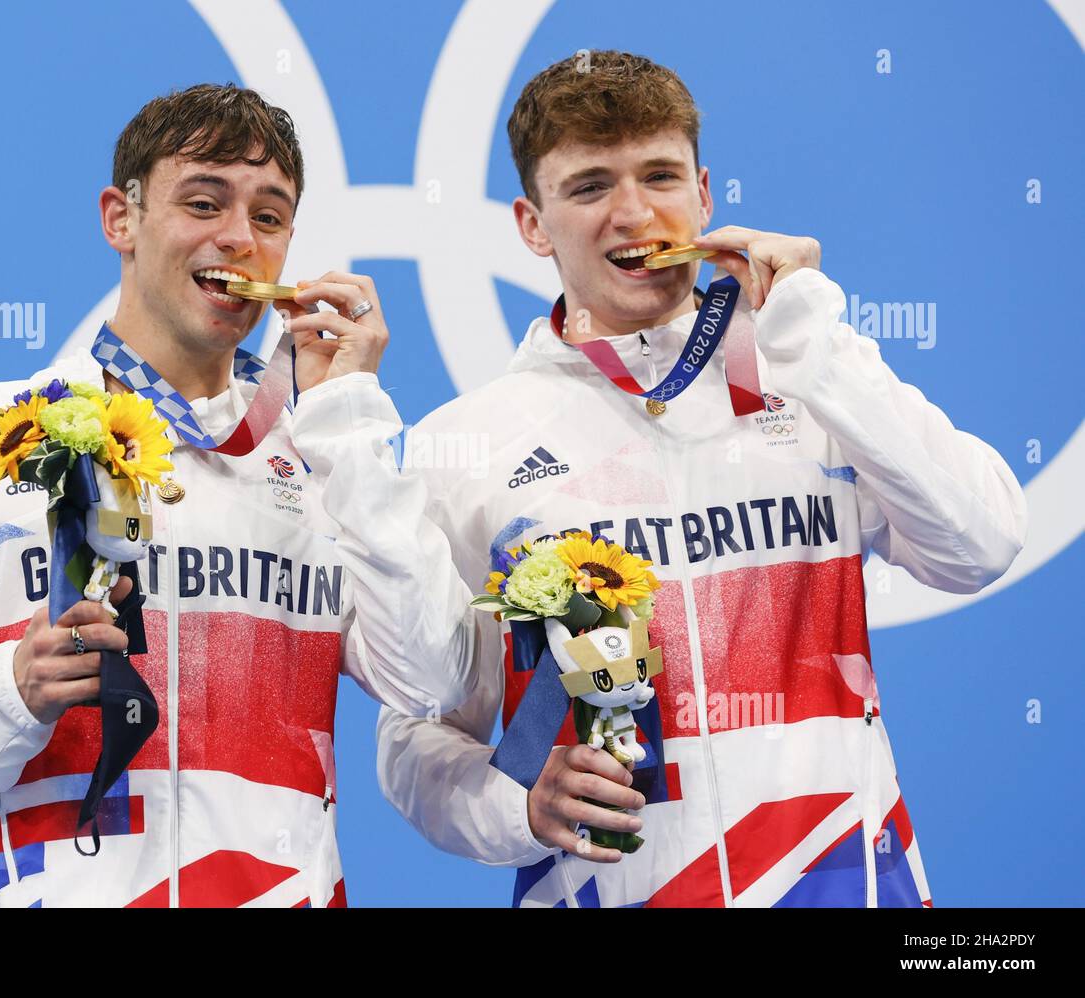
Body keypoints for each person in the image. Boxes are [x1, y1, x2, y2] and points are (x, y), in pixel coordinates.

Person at [376, 51, 1027, 907]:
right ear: (532, 225)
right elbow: (416, 729)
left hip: (842, 881)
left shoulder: (815, 381)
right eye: (589, 187)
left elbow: (981, 544)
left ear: (707, 193)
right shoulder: (466, 446)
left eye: (660, 176)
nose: (634, 213)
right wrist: (514, 807)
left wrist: (820, 346)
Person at [0, 84, 475, 908]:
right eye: (204, 202)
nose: (238, 238)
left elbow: (435, 681)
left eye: (269, 219)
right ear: (119, 219)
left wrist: (346, 415)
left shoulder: (330, 461)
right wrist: (7, 689)